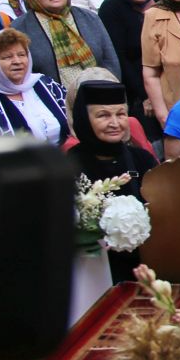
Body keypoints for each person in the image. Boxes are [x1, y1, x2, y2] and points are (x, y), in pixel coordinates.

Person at [66, 75, 159, 284]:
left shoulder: (141, 159)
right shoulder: (69, 166)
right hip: (93, 272)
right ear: (84, 118)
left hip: (144, 269)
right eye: (103, 115)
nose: (115, 123)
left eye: (121, 114)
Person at [11, 0, 120, 93]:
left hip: (99, 95)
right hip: (51, 99)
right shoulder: (20, 28)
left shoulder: (89, 18)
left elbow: (110, 61)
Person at [0, 29, 68, 142]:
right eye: (7, 57)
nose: (17, 61)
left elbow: (74, 120)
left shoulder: (46, 84)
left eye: (22, 55)